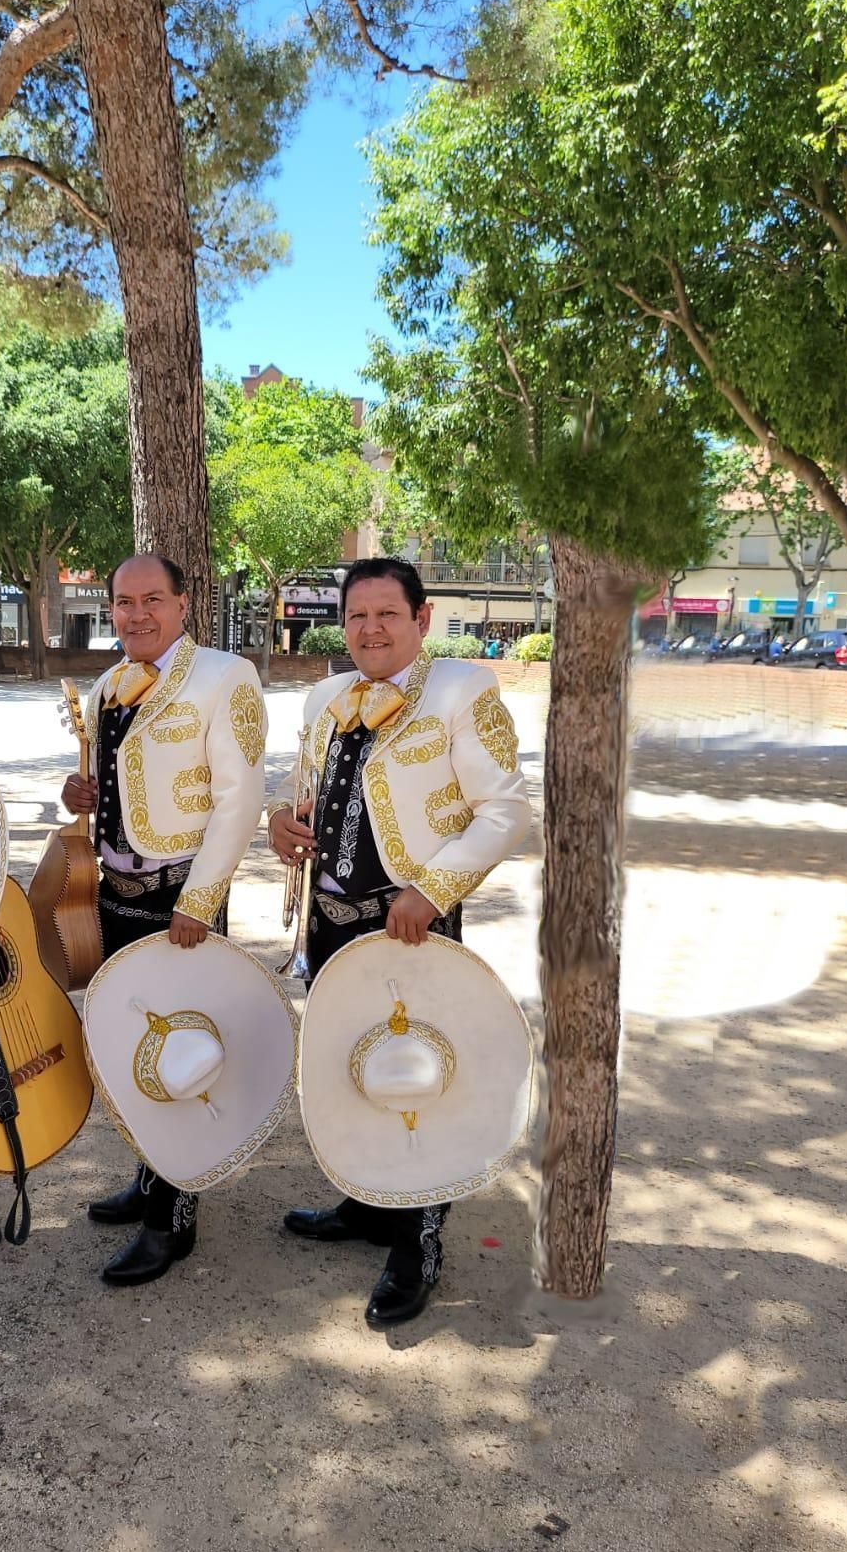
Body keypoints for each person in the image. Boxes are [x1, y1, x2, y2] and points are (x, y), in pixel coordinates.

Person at [267, 556, 531, 1328]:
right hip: (330, 919)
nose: (369, 629)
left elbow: (503, 810)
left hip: (411, 923)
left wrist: (433, 890)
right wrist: (279, 825)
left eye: (386, 614)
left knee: (419, 1077)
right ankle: (362, 1200)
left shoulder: (462, 690)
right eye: (356, 616)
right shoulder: (324, 696)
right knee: (349, 1065)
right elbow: (303, 793)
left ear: (421, 618)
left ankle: (416, 1241)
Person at [61, 554, 267, 1285]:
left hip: (181, 897)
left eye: (153, 599)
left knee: (184, 1049)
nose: (136, 614)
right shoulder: (106, 687)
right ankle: (151, 1178)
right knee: (131, 1037)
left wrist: (200, 902)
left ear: (184, 604)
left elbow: (239, 799)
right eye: (123, 602)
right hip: (114, 892)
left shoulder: (223, 676)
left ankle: (171, 1222)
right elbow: (110, 789)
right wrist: (78, 793)